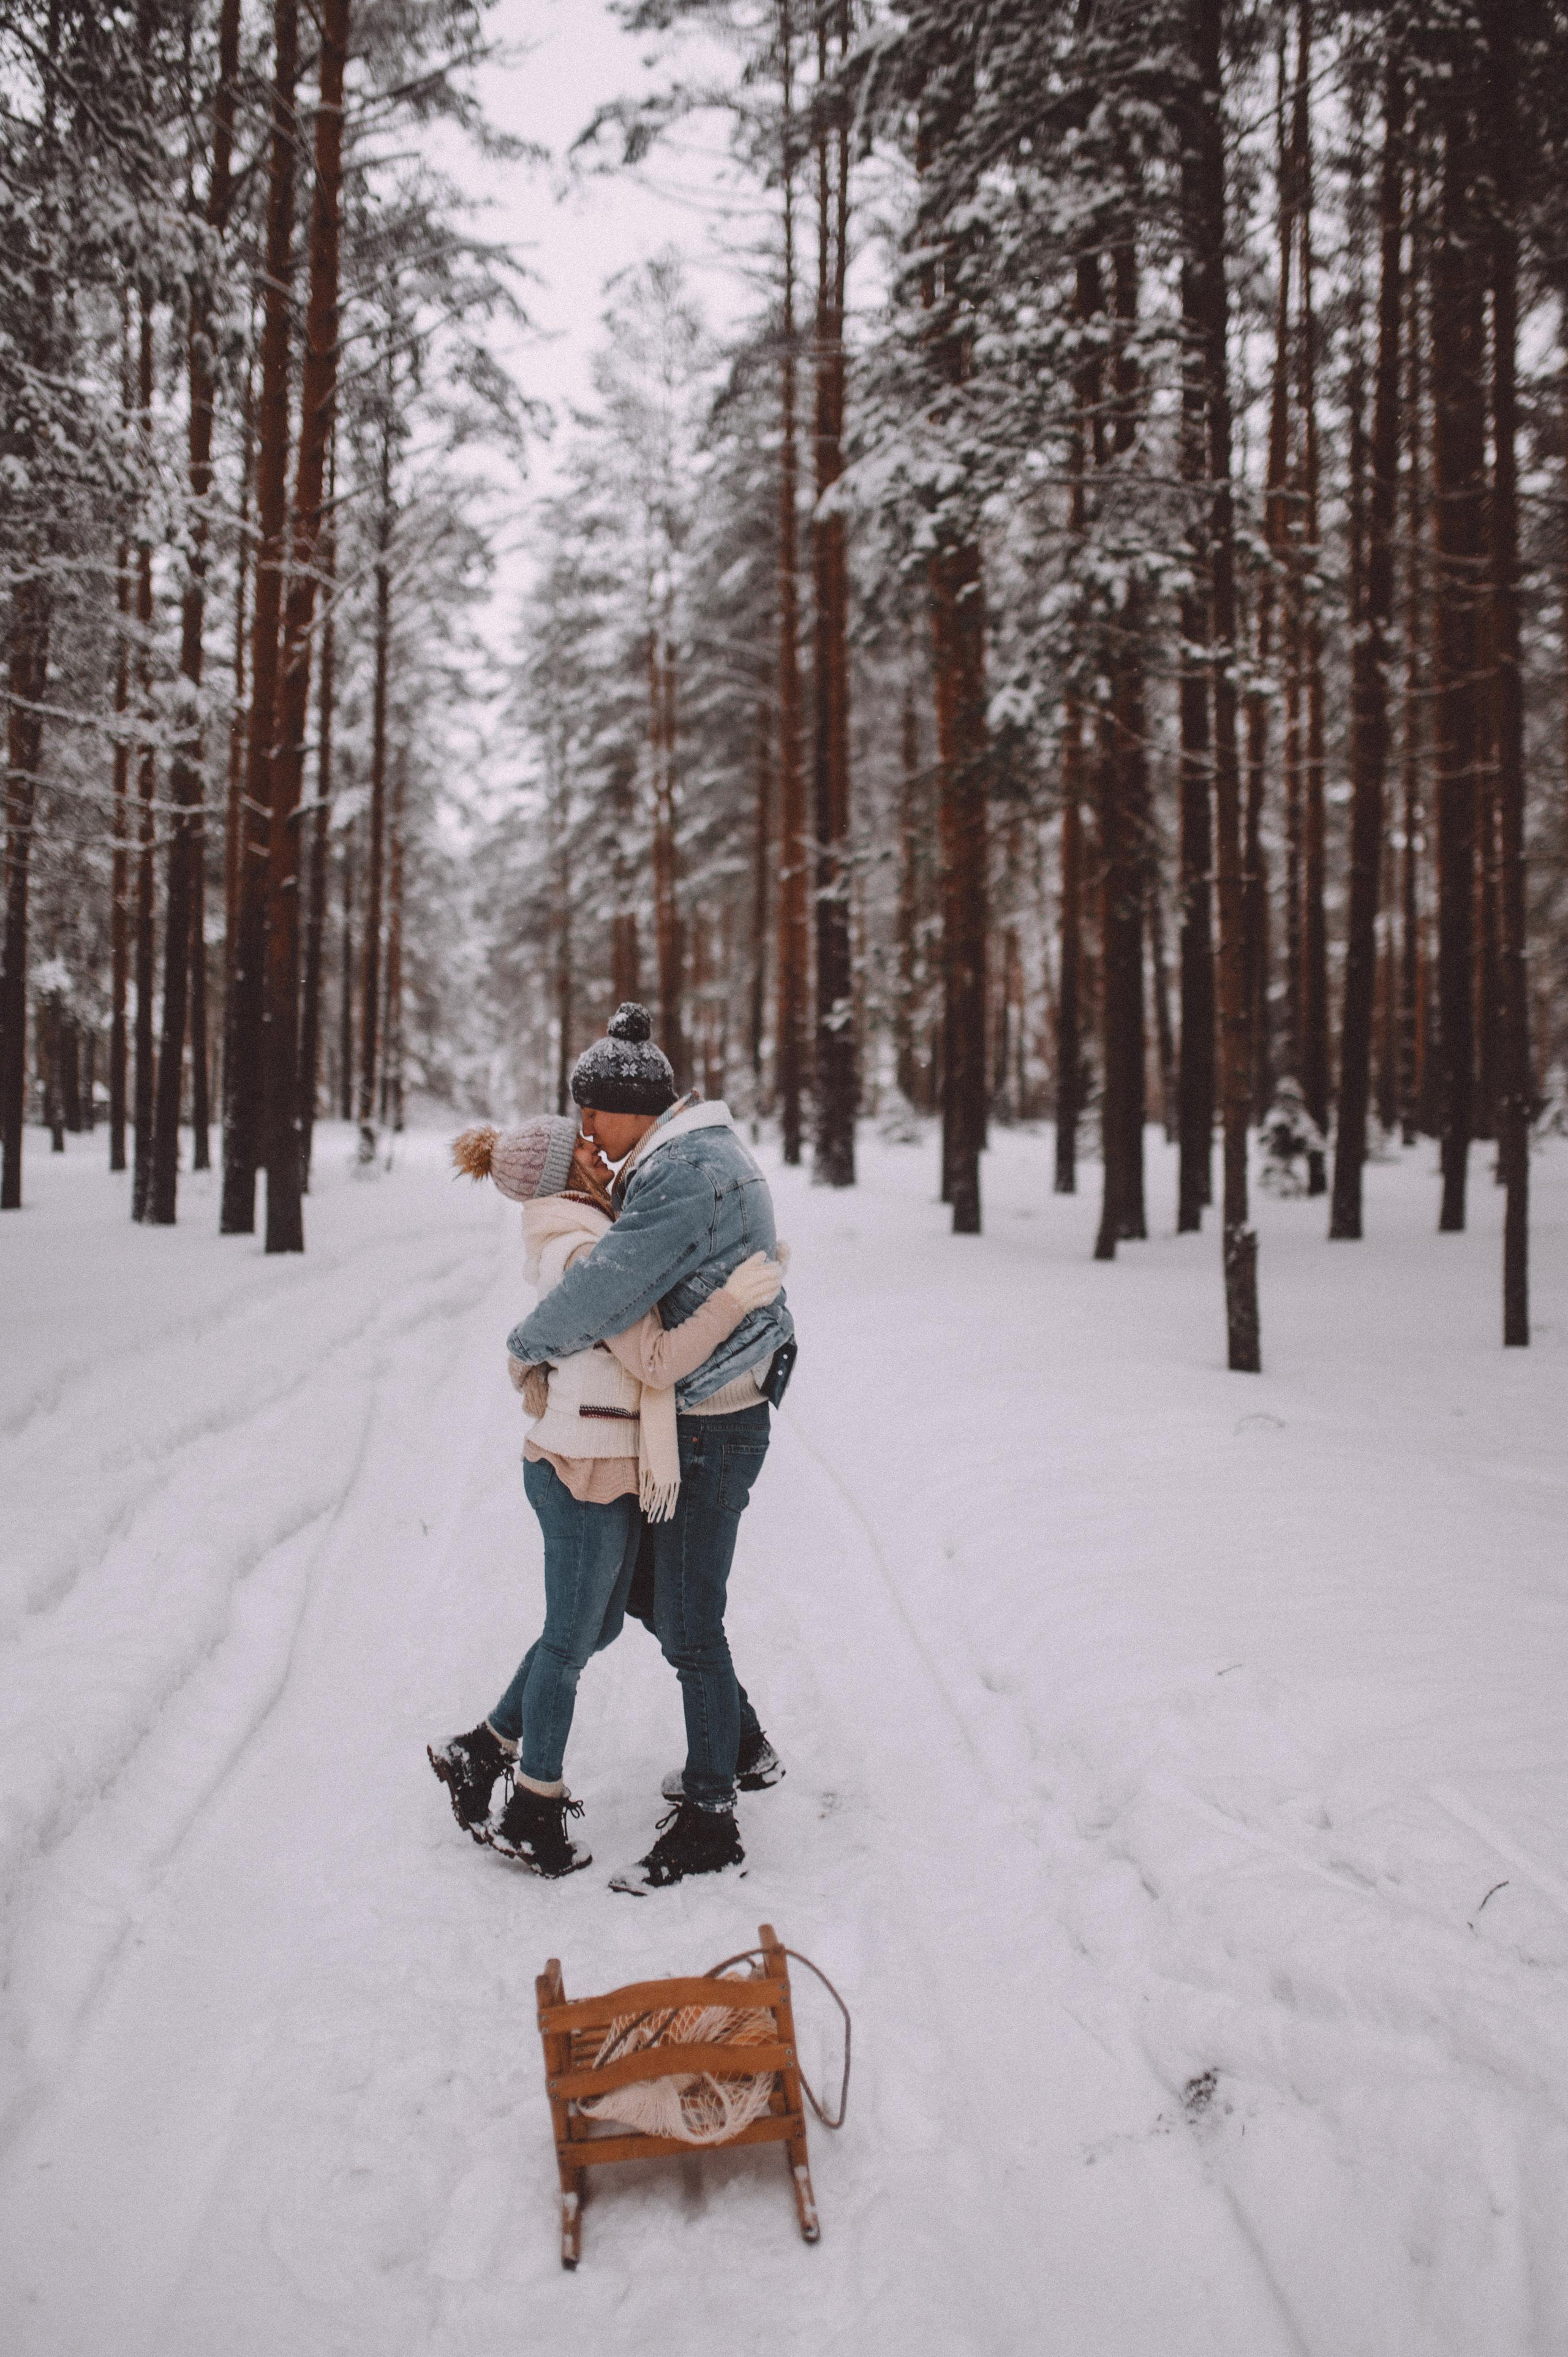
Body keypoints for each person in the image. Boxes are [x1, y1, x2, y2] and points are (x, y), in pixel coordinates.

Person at [428, 1109, 783, 1877]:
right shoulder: (587, 1248)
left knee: (598, 1629)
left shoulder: (592, 1227)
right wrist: (734, 1302)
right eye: (581, 1144)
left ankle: (481, 1748)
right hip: (582, 1469)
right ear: (565, 1173)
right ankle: (534, 1806)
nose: (598, 1146)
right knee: (569, 1641)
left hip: (600, 1465)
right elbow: (654, 1358)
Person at [507, 1002, 796, 1893]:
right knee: (650, 1594)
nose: (588, 1129)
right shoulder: (697, 1156)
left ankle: (712, 1812)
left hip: (712, 1420)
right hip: (714, 1413)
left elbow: (608, 1286)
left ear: (636, 1105)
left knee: (690, 1623)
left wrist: (525, 1345)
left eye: (594, 1110)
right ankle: (741, 1745)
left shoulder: (678, 1173)